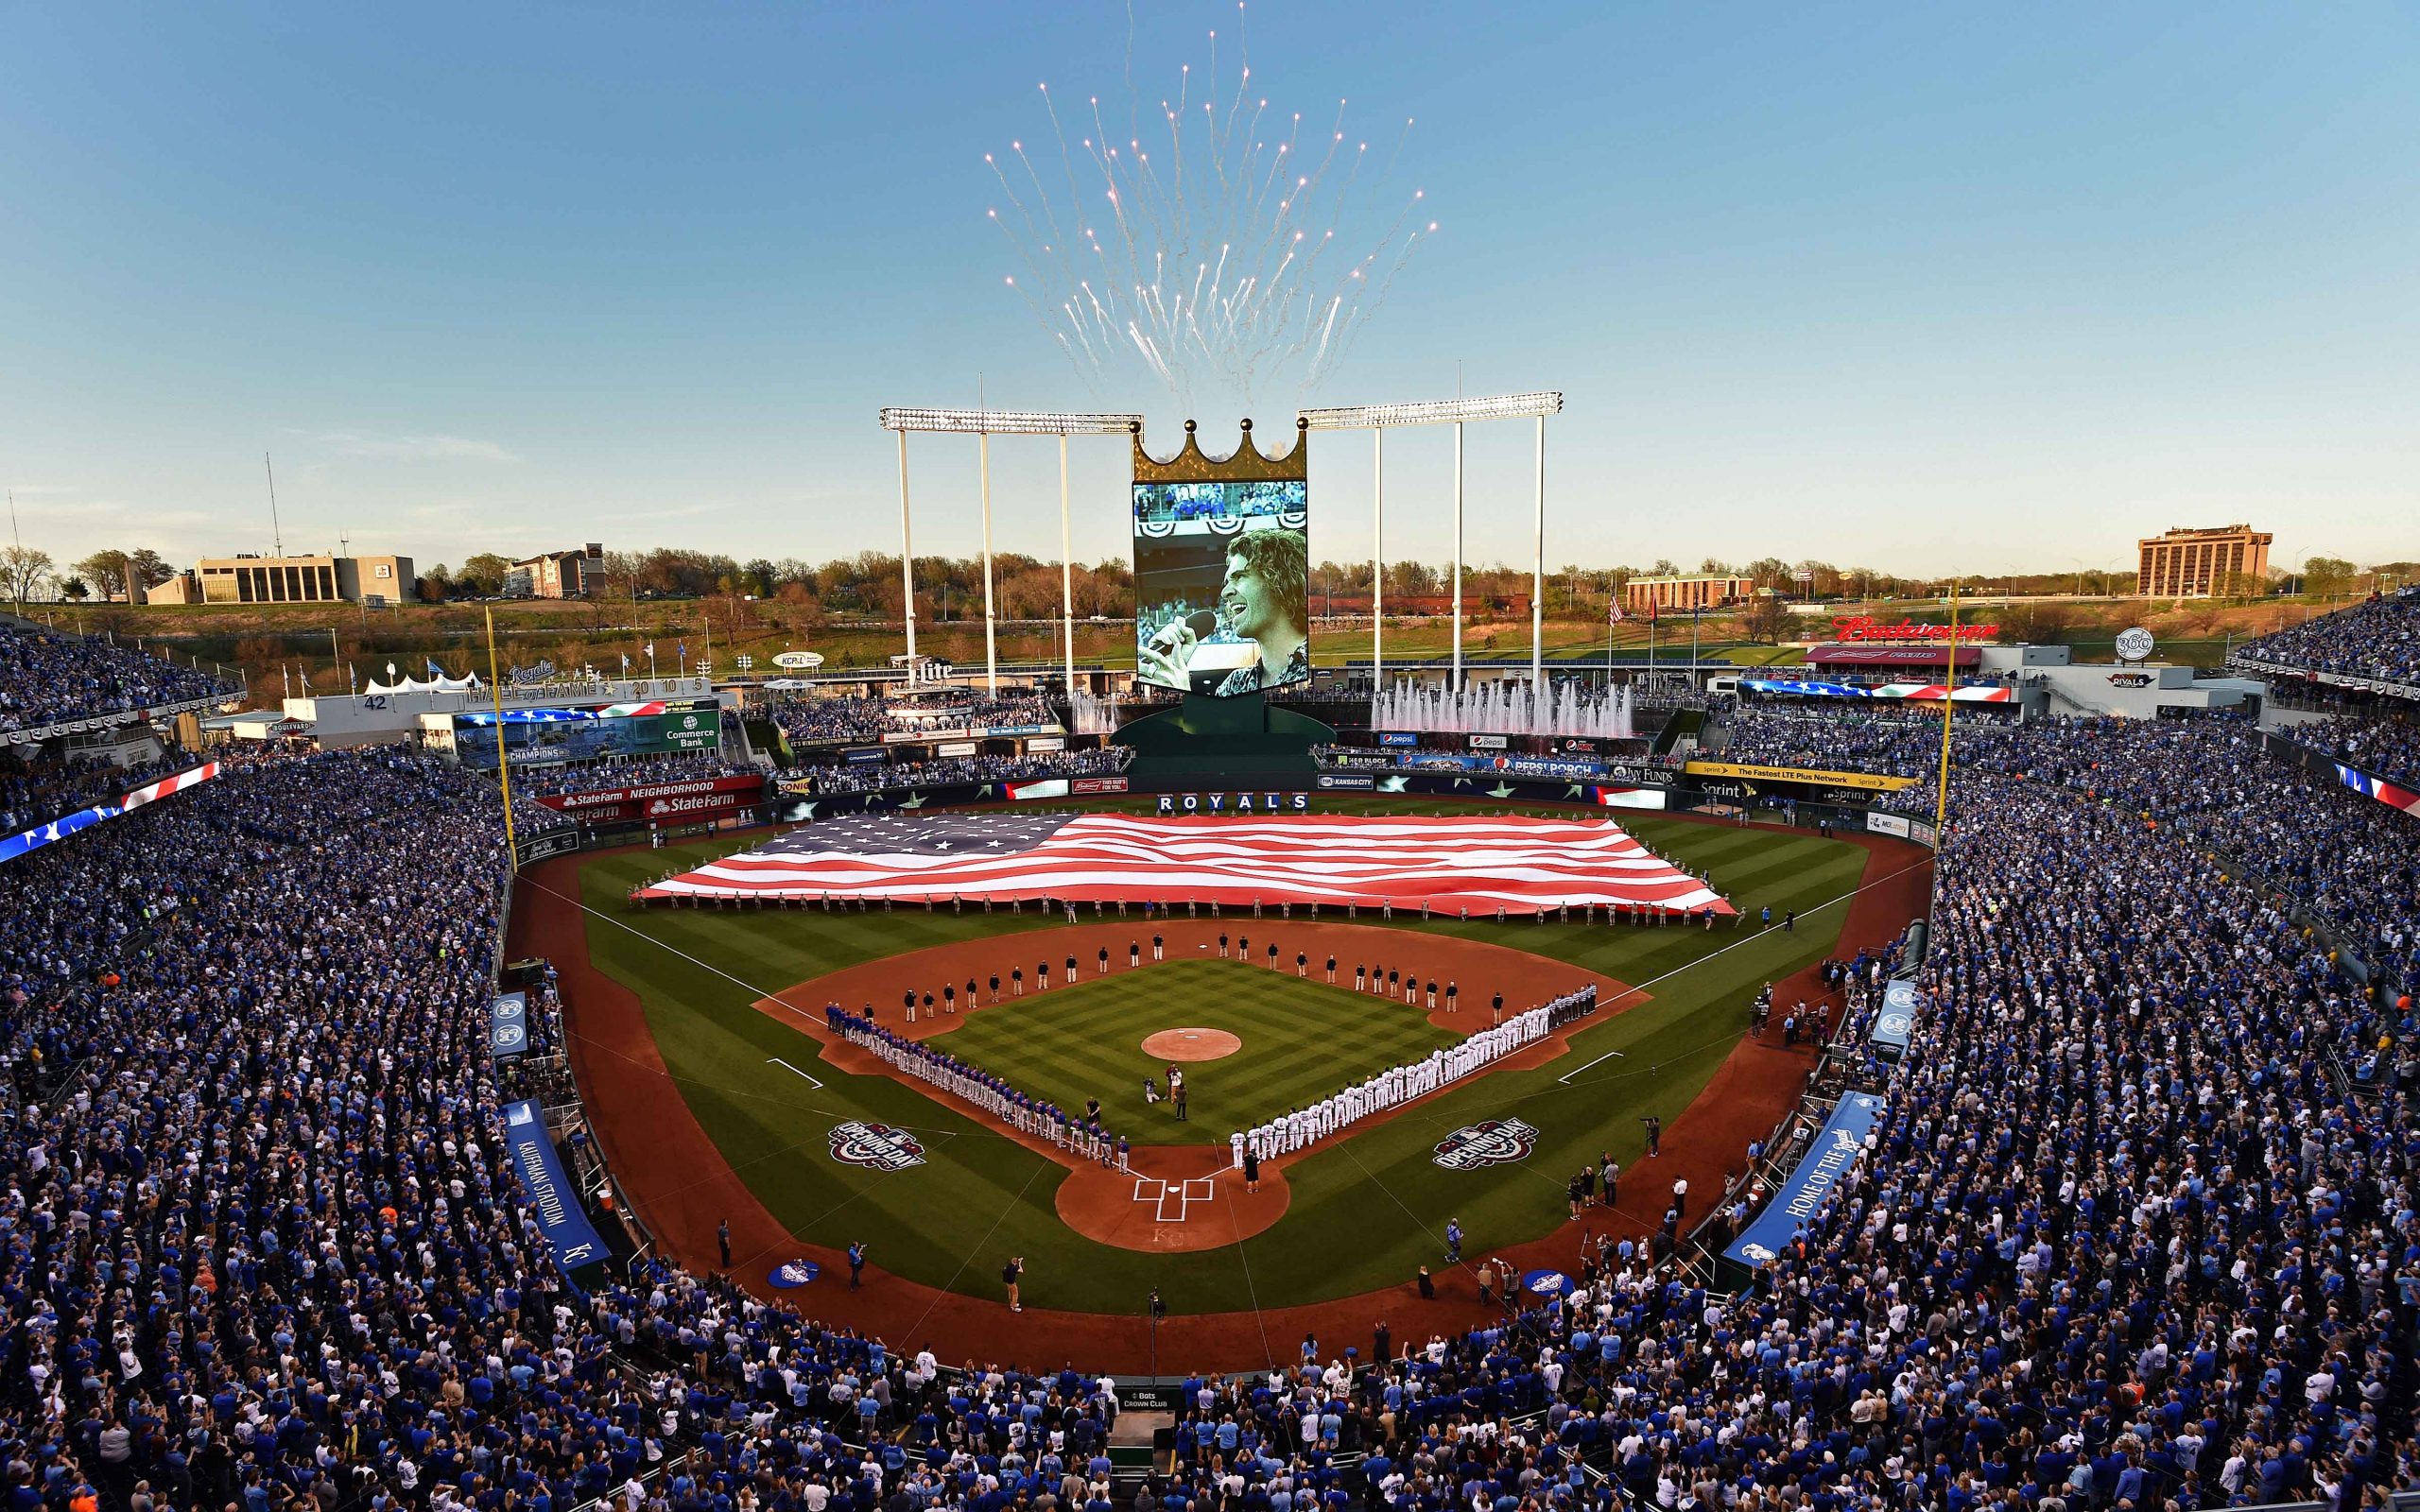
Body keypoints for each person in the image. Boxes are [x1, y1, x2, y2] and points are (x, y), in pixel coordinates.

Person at [1134, 527, 1310, 695]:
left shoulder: (1318, 671)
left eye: (1239, 576)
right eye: (1227, 582)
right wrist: (1172, 673)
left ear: (1280, 580)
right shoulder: (1235, 685)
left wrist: (1184, 694)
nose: (1225, 592)